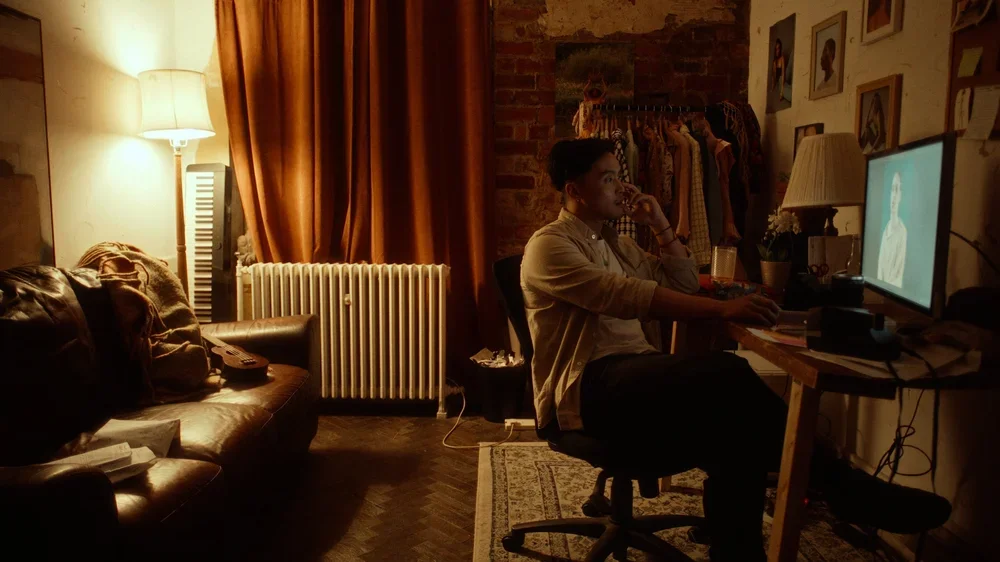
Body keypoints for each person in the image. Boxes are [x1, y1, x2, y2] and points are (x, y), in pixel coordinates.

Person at [520, 139, 951, 561]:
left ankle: (741, 548)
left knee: (735, 429)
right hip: (585, 389)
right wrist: (721, 309)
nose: (621, 188)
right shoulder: (549, 246)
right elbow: (627, 295)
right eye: (608, 179)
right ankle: (845, 487)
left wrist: (661, 227)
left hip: (632, 373)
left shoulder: (611, 240)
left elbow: (682, 282)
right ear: (574, 190)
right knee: (726, 375)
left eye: (619, 177)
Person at [877, 172, 907, 288]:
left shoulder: (902, 232)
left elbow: (896, 279)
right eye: (892, 189)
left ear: (900, 195)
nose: (894, 195)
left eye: (897, 190)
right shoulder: (886, 229)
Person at [771, 38, 790, 103]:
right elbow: (773, 76)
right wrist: (772, 87)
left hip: (784, 76)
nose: (777, 51)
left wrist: (781, 92)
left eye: (779, 48)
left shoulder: (782, 58)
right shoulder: (774, 62)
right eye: (776, 49)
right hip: (779, 80)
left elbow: (783, 72)